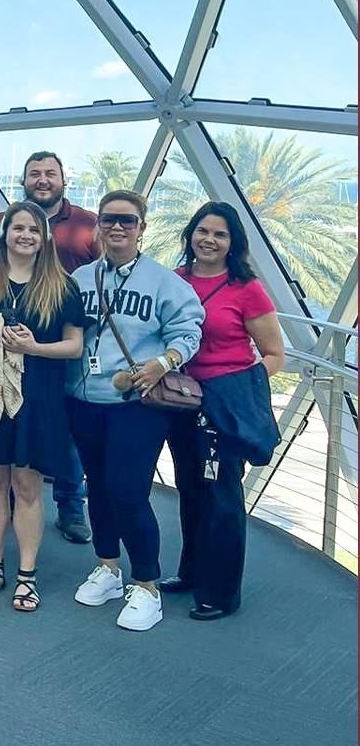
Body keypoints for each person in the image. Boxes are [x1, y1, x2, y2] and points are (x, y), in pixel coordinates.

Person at [68, 190, 203, 632]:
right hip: (86, 400)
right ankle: (108, 567)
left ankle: (147, 585)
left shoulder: (165, 282)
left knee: (127, 493)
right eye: (109, 219)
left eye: (127, 220)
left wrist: (165, 362)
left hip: (137, 405)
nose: (117, 227)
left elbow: (189, 331)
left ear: (141, 228)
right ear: (98, 225)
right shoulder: (81, 278)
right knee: (97, 489)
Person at [0, 202, 86, 612]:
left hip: (38, 401)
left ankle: (27, 574)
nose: (25, 235)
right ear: (5, 233)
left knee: (27, 487)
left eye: (33, 229)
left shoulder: (61, 287)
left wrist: (33, 347)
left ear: (44, 238)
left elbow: (74, 345)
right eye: (18, 228)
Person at [163, 202, 284, 620]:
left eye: (220, 234)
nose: (209, 240)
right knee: (190, 488)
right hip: (181, 401)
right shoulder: (175, 280)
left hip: (224, 407)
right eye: (202, 231)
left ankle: (220, 592)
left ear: (233, 243)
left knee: (223, 495)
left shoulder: (246, 289)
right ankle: (192, 572)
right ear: (190, 235)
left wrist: (237, 389)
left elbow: (274, 355)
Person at [0, 150, 99, 544]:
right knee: (9, 427)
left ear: (62, 180)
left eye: (50, 173)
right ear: (24, 181)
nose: (43, 180)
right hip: (13, 349)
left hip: (63, 341)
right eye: (35, 173)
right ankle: (5, 507)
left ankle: (71, 506)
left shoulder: (87, 225)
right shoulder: (4, 222)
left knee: (65, 427)